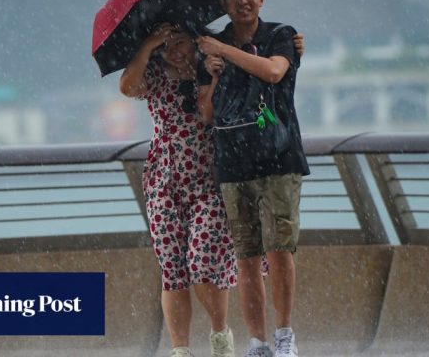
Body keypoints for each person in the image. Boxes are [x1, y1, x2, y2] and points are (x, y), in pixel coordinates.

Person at [120, 20, 305, 357]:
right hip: (163, 180)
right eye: (168, 45)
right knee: (172, 268)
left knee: (203, 262)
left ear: (197, 40)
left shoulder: (214, 66)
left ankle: (220, 333)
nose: (175, 51)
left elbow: (224, 103)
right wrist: (148, 46)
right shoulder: (157, 74)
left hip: (211, 178)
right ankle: (181, 350)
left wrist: (214, 74)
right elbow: (128, 87)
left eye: (181, 42)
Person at [196, 0, 309, 357]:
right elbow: (207, 115)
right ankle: (258, 343)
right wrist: (210, 77)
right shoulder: (209, 49)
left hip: (279, 158)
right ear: (223, 4)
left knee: (280, 249)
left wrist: (225, 52)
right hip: (232, 163)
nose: (242, 1)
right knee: (246, 258)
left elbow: (275, 72)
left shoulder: (281, 35)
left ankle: (284, 335)